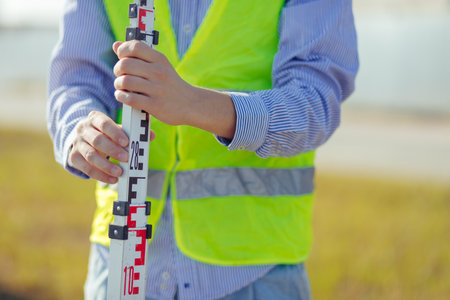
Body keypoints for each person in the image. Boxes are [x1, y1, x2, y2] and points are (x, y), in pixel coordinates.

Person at [47, 0, 359, 299]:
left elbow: (315, 103)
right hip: (117, 263)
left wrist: (194, 104)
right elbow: (75, 81)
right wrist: (79, 128)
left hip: (256, 276)